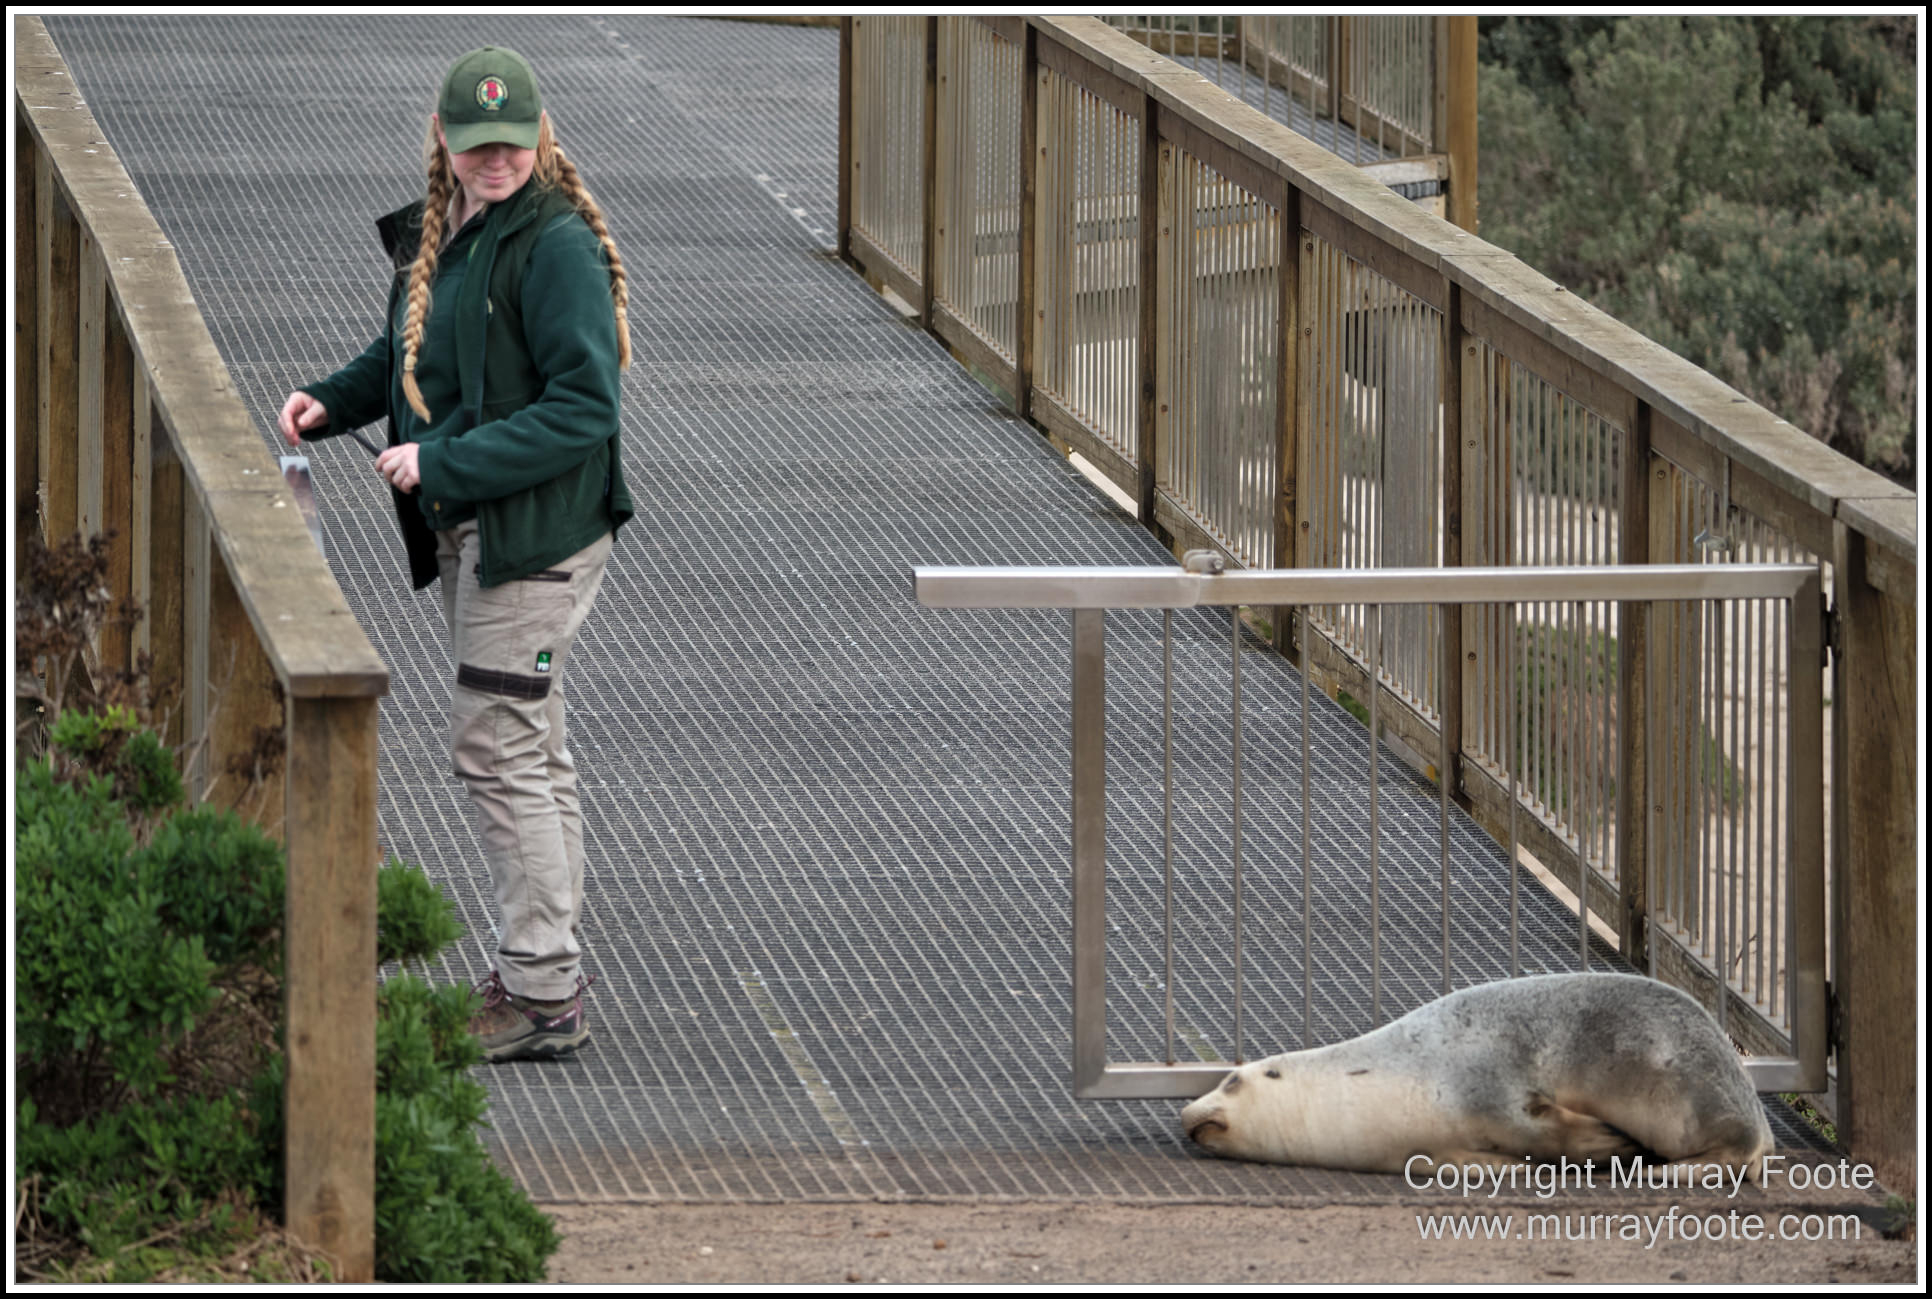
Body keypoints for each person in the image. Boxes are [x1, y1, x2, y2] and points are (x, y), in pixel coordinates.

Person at [279, 46, 632, 1063]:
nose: (496, 160)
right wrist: (335, 400)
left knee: (495, 747)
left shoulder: (554, 244)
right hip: (483, 523)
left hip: (537, 537)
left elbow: (585, 408)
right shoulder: (451, 229)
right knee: (529, 744)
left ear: (539, 134)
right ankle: (545, 968)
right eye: (477, 145)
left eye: (512, 145)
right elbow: (407, 351)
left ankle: (540, 991)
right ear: (444, 138)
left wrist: (447, 459)